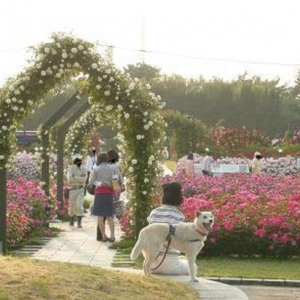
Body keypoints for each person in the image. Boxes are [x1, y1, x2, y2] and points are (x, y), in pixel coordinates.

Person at [148, 182, 193, 275]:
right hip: (171, 264)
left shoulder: (154, 213)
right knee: (193, 266)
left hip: (151, 264)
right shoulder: (178, 216)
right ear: (179, 198)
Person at [89, 152, 122, 242]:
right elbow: (119, 178)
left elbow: (91, 182)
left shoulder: (96, 169)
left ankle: (103, 236)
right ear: (107, 159)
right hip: (109, 193)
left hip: (99, 193)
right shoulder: (113, 167)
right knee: (109, 216)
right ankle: (112, 236)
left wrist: (99, 183)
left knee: (100, 216)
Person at [96, 149, 125, 241]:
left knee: (101, 215)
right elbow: (119, 178)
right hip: (113, 191)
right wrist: (121, 185)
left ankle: (100, 235)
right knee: (110, 213)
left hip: (102, 192)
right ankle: (114, 233)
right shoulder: (115, 166)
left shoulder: (100, 167)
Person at [66, 153, 87, 228]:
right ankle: (71, 219)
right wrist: (80, 178)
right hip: (72, 189)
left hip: (80, 189)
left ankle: (79, 222)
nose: (78, 161)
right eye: (77, 160)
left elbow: (84, 179)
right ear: (74, 161)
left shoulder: (84, 169)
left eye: (79, 160)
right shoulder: (71, 168)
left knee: (79, 205)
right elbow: (69, 179)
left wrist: (75, 177)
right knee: (71, 206)